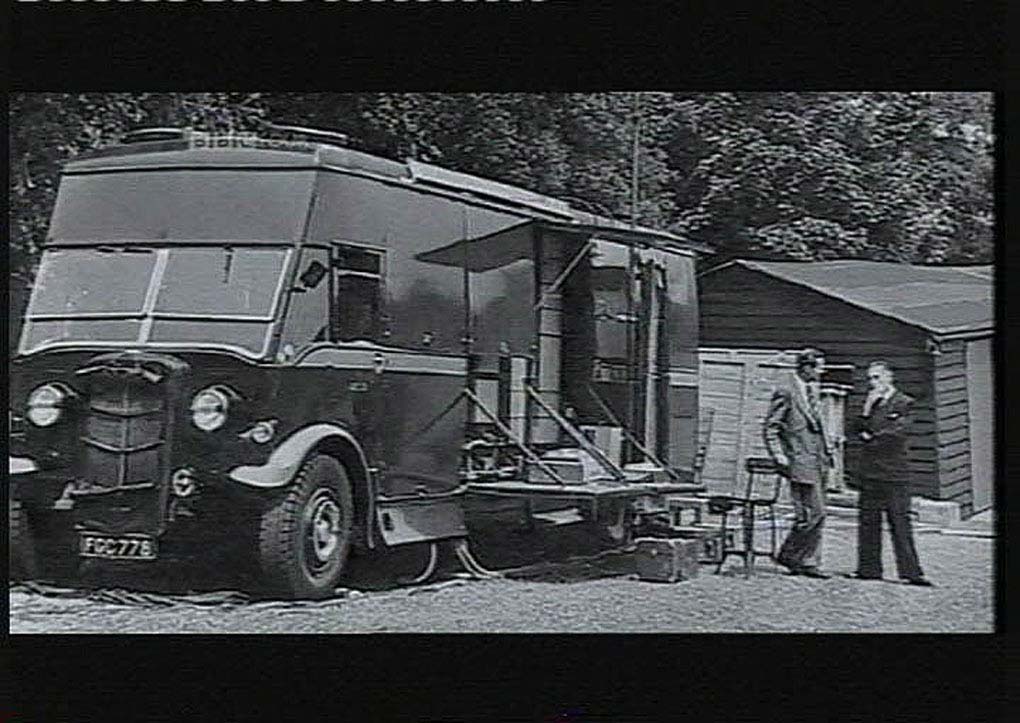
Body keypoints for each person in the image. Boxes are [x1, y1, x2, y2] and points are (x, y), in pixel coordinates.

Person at [846, 361, 933, 586]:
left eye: (876, 378)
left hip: (895, 474)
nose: (872, 383)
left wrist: (871, 438)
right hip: (870, 473)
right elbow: (854, 428)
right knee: (868, 523)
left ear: (888, 378)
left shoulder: (904, 403)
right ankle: (868, 569)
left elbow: (897, 433)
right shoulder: (870, 404)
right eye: (870, 379)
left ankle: (911, 572)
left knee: (900, 523)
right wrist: (866, 410)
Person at [764, 348, 834, 579]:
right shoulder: (786, 392)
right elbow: (771, 428)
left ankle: (807, 561)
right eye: (818, 367)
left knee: (813, 515)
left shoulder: (813, 390)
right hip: (800, 461)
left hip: (820, 460)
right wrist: (780, 456)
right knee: (815, 513)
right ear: (806, 367)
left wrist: (829, 449)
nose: (821, 372)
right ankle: (791, 555)